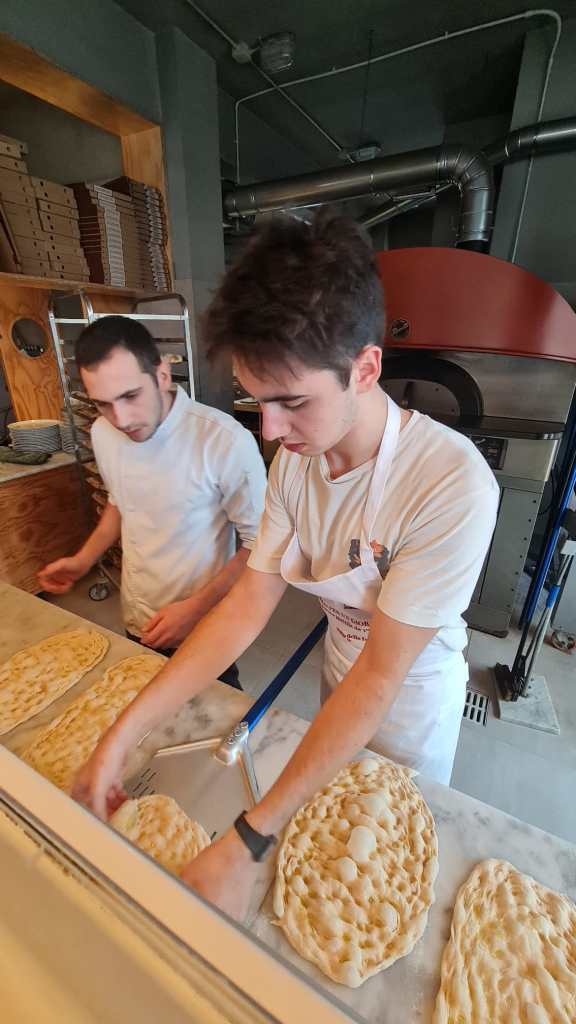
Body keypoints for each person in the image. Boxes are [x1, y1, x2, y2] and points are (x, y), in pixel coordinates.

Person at [73, 213, 498, 919]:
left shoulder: (450, 485)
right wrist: (123, 735)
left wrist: (250, 837)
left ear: (365, 368)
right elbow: (245, 607)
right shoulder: (296, 464)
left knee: (383, 869)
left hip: (411, 701)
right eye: (257, 401)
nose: (269, 430)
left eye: (292, 402)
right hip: (342, 670)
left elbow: (382, 675)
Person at [39, 316, 267, 688]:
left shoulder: (223, 441)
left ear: (162, 375)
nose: (121, 419)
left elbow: (261, 546)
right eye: (103, 404)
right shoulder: (103, 433)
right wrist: (84, 559)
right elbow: (119, 502)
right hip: (139, 615)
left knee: (211, 712)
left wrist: (195, 609)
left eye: (130, 396)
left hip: (203, 622)